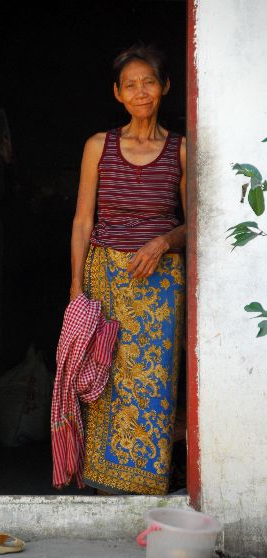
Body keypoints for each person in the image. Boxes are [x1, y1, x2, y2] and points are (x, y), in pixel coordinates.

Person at [70, 42, 186, 495]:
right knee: (103, 379)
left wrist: (164, 241)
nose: (141, 92)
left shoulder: (179, 150)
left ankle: (145, 487)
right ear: (118, 93)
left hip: (159, 284)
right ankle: (103, 486)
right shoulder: (99, 146)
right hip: (106, 279)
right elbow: (83, 222)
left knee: (154, 385)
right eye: (131, 85)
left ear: (165, 87)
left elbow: (193, 222)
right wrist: (76, 289)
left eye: (149, 83)